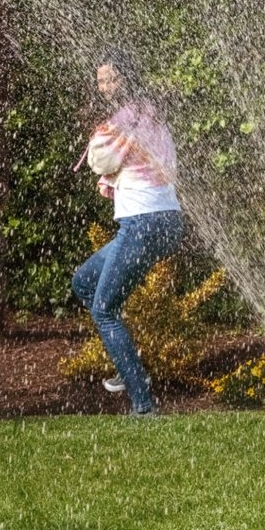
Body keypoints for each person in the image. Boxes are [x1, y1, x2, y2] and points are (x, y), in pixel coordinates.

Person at [71, 49, 184, 416]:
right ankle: (129, 366)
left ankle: (142, 404)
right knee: (84, 282)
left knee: (103, 310)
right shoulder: (153, 115)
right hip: (168, 222)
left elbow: (100, 161)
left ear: (126, 79)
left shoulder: (121, 121)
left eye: (111, 79)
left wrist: (105, 165)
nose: (105, 87)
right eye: (101, 80)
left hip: (141, 224)